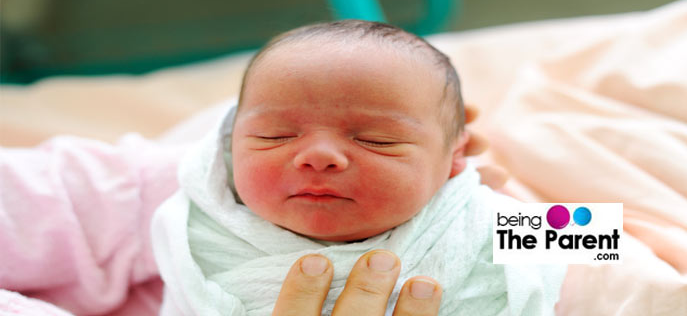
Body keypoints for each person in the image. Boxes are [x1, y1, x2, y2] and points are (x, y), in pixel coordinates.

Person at [151, 20, 565, 315]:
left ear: (456, 154)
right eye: (275, 135)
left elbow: (610, 250)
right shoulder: (198, 224)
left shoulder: (479, 216)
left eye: (376, 140)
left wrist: (527, 212)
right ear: (229, 144)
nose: (317, 156)